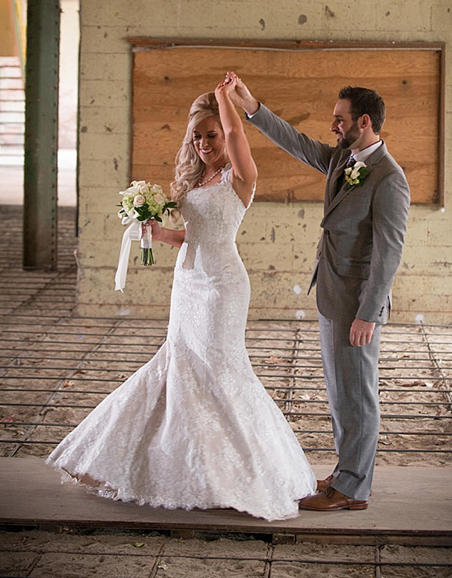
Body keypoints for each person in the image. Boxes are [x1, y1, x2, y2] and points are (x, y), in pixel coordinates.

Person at [46, 76, 317, 521]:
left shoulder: (240, 176)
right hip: (187, 282)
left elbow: (236, 131)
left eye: (212, 135)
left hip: (222, 286)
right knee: (179, 366)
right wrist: (158, 233)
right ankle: (176, 472)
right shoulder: (197, 177)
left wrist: (226, 98)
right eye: (197, 137)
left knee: (219, 370)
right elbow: (193, 235)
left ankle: (243, 474)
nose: (205, 144)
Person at [227, 73, 410, 512]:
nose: (333, 126)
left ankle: (352, 489)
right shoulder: (343, 159)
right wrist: (251, 105)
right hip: (331, 293)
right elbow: (296, 142)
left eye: (339, 119)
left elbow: (389, 253)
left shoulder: (389, 178)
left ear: (363, 122)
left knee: (358, 396)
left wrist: (368, 314)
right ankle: (347, 472)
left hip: (357, 306)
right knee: (342, 393)